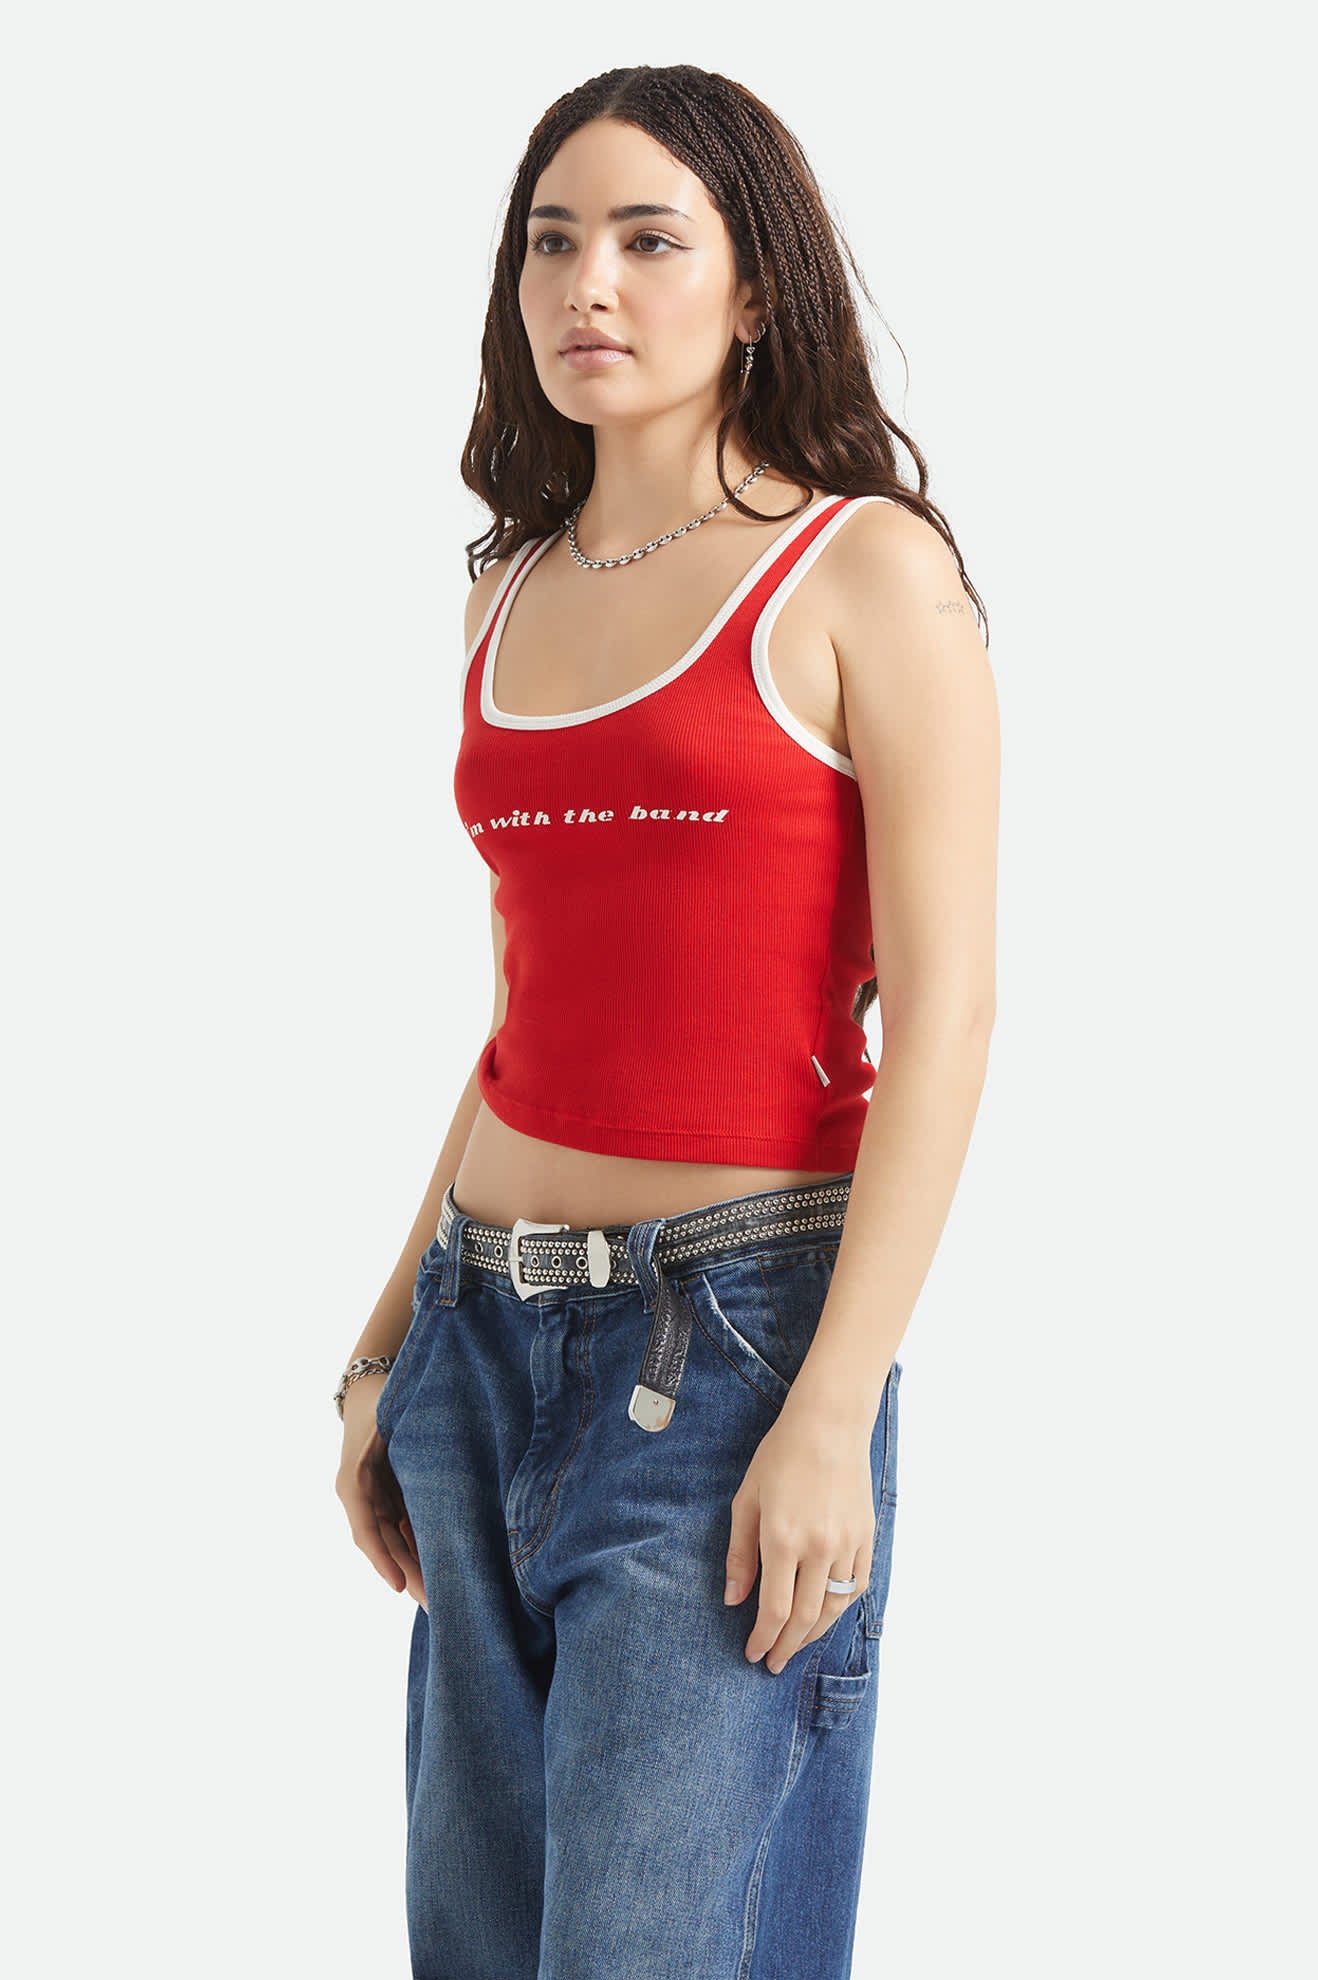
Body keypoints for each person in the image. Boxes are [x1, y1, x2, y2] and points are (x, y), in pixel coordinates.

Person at [334, 63, 998, 1980]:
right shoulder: (507, 591)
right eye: (552, 243)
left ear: (755, 284)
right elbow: (521, 1014)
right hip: (477, 1336)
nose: (588, 287)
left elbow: (947, 1017)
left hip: (727, 1351)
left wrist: (831, 1409)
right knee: (478, 1949)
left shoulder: (862, 569)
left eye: (647, 239)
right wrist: (382, 1348)